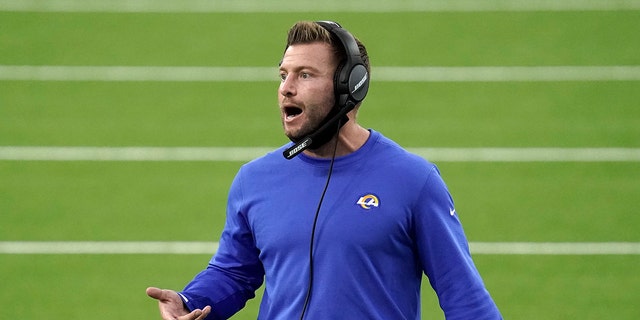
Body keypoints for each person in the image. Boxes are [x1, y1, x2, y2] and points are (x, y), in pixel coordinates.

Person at [147, 20, 502, 320]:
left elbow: (464, 296)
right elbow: (234, 272)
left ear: (350, 86)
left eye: (305, 75)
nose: (286, 88)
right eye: (283, 75)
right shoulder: (254, 180)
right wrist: (188, 300)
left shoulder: (414, 181)